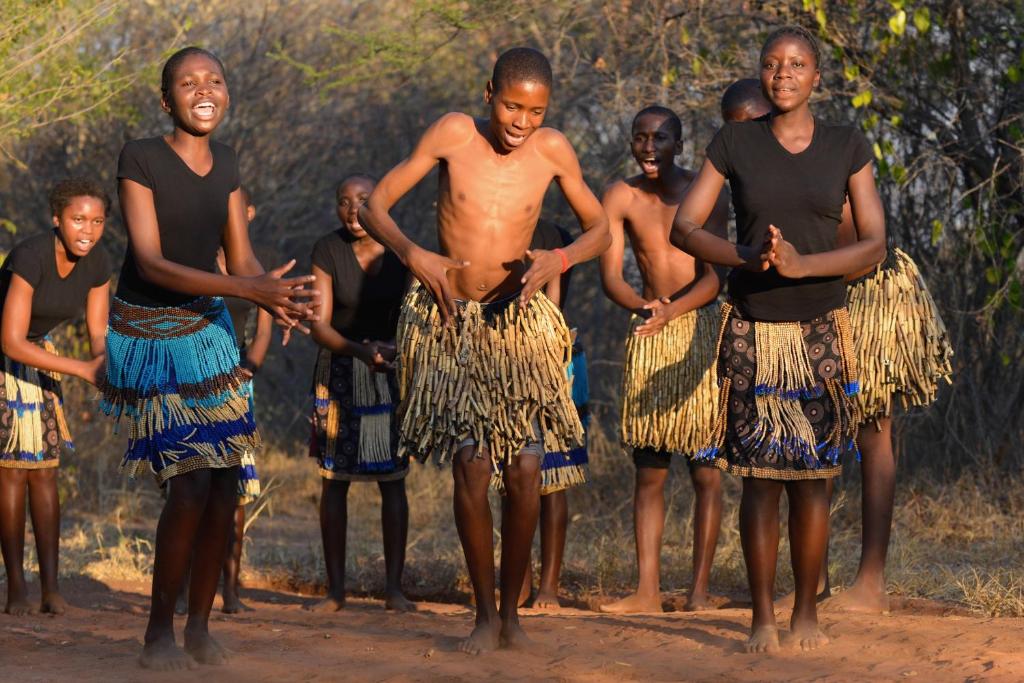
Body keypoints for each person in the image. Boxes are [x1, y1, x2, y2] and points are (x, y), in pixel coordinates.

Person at [360, 47, 609, 654]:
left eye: (535, 110)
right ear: (487, 92)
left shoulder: (553, 150)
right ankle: (482, 615)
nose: (521, 120)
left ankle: (512, 614)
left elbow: (601, 229)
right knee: (471, 465)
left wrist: (561, 256)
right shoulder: (452, 133)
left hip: (518, 329)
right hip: (453, 325)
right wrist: (413, 254)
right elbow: (375, 206)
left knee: (525, 469)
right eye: (511, 105)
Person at [672, 26, 885, 653]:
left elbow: (873, 242)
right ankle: (764, 616)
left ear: (818, 76)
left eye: (796, 65)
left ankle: (806, 617)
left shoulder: (847, 144)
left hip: (820, 327)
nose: (783, 74)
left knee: (813, 480)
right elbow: (686, 226)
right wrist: (747, 256)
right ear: (761, 74)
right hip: (753, 328)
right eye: (771, 65)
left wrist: (802, 265)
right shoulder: (734, 141)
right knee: (760, 481)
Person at [102, 46, 317, 670]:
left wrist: (276, 299)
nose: (205, 89)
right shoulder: (140, 158)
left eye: (215, 80)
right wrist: (249, 290)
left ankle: (198, 626)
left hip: (210, 330)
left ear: (227, 93)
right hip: (151, 336)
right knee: (190, 481)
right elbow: (149, 263)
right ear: (166, 100)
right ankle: (156, 634)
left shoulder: (226, 162)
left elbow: (242, 257)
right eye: (189, 82)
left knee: (226, 482)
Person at [721, 80, 955, 613]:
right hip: (803, 297)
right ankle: (816, 579)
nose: (743, 137)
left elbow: (862, 244)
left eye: (746, 123)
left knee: (870, 428)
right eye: (732, 127)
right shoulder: (746, 158)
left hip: (866, 292)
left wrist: (805, 272)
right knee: (801, 446)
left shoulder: (820, 153)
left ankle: (870, 580)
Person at [598, 106, 730, 614]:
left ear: (680, 142)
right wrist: (642, 305)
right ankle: (647, 591)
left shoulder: (704, 190)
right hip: (651, 333)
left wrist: (674, 310)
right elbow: (612, 275)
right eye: (640, 137)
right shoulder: (621, 195)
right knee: (649, 469)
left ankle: (698, 592)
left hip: (700, 330)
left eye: (661, 137)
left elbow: (715, 277)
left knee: (706, 471)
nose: (649, 146)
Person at [0, 178, 111, 616]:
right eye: (78, 219)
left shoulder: (97, 259)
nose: (88, 229)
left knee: (45, 471)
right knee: (11, 472)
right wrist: (83, 370)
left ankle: (51, 589)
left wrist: (104, 366)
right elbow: (9, 341)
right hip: (8, 357)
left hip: (41, 356)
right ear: (56, 219)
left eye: (98, 220)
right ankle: (15, 590)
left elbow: (97, 333)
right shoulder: (30, 256)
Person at [307, 173, 415, 613]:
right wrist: (359, 350)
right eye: (343, 201)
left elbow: (415, 316)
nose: (352, 211)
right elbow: (320, 325)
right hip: (340, 371)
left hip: (390, 371)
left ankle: (394, 589)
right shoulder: (327, 250)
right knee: (334, 481)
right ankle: (335, 591)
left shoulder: (402, 250)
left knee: (393, 482)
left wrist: (391, 350)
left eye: (363, 201)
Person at [505, 220, 589, 610]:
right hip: (505, 363)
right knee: (511, 477)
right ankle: (518, 584)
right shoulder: (495, 224)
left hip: (556, 363)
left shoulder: (556, 237)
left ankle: (549, 586)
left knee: (554, 477)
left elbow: (553, 310)